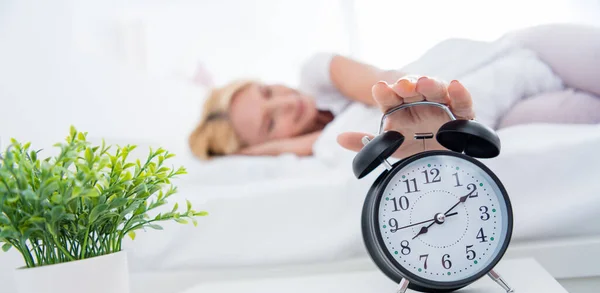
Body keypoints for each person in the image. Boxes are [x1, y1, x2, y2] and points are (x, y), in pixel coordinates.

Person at [188, 24, 600, 160]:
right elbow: (310, 146)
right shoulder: (330, 145)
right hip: (499, 109)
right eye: (269, 120)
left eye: (266, 91)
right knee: (585, 117)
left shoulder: (315, 75)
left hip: (521, 54)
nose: (284, 102)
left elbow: (382, 84)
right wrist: (242, 154)